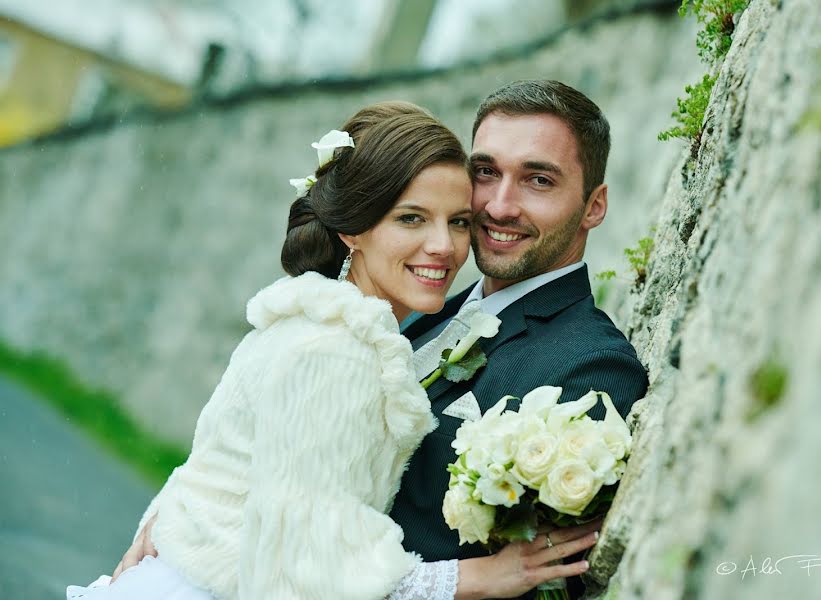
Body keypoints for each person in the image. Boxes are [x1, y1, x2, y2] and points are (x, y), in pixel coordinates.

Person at [71, 101, 600, 600]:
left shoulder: (320, 316)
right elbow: (307, 568)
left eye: (458, 221)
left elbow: (229, 453)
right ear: (352, 229)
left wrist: (170, 514)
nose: (443, 246)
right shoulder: (335, 350)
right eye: (411, 218)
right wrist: (476, 578)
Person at [389, 80, 649, 598]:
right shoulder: (424, 307)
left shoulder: (593, 367)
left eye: (538, 180)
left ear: (594, 206)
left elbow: (540, 584)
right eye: (486, 172)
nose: (499, 206)